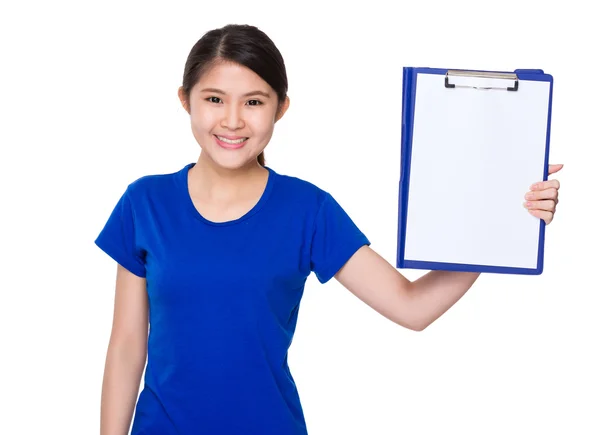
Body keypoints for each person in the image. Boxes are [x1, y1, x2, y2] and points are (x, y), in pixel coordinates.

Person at [95, 24, 563, 435]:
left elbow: (412, 307)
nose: (233, 120)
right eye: (214, 99)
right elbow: (126, 345)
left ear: (280, 108)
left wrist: (498, 218)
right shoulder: (145, 203)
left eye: (254, 102)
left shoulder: (307, 210)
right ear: (186, 101)